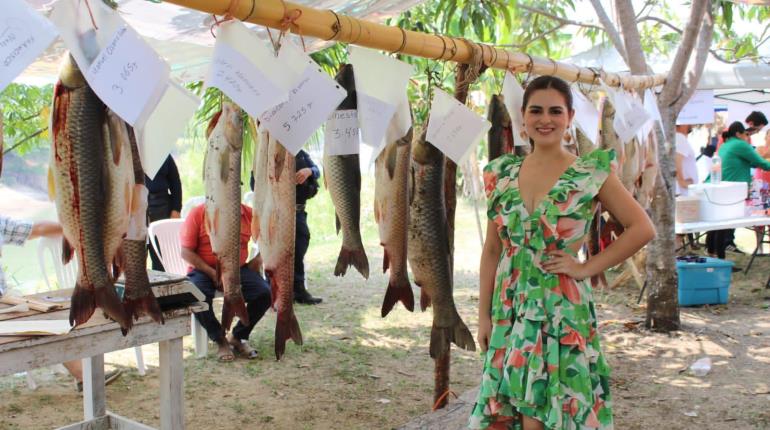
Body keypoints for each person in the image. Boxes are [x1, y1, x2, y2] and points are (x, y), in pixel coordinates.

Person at [470, 76, 655, 430]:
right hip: (512, 304)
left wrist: (586, 267)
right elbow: (492, 250)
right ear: (522, 117)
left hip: (561, 306)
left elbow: (642, 228)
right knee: (518, 406)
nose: (545, 119)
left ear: (569, 117)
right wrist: (483, 316)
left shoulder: (589, 172)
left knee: (555, 402)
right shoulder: (502, 174)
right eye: (536, 110)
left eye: (556, 111)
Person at [0, 216, 121, 390]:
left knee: (46, 322)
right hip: (6, 306)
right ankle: (85, 377)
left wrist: (81, 228)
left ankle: (84, 378)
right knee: (35, 324)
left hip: (6, 300)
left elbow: (38, 228)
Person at [180, 203, 271, 361]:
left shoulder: (249, 214)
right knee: (195, 293)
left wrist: (259, 259)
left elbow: (272, 236)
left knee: (264, 293)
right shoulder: (198, 212)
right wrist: (212, 273)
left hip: (237, 268)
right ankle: (219, 338)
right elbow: (185, 252)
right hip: (204, 268)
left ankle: (238, 335)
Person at [706, 122, 770, 260]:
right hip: (730, 189)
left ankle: (711, 253)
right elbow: (762, 163)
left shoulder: (726, 144)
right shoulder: (740, 145)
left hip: (720, 187)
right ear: (738, 134)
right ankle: (720, 259)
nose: (747, 137)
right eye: (745, 134)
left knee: (716, 225)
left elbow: (751, 162)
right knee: (723, 226)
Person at [294, 149, 322, 305]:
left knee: (300, 247)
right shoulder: (267, 153)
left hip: (299, 211)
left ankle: (299, 290)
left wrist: (308, 171)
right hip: (278, 213)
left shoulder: (300, 152)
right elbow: (253, 184)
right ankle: (275, 291)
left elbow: (317, 170)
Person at [145, 155, 182, 271]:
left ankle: (160, 286)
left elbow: (176, 183)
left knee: (161, 257)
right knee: (136, 258)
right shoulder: (130, 154)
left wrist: (176, 209)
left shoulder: (163, 154)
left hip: (162, 207)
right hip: (136, 207)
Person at [675, 124, 698, 196]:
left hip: (682, 191)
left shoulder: (678, 137)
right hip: (683, 192)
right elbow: (676, 160)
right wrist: (682, 182)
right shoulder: (679, 138)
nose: (691, 125)